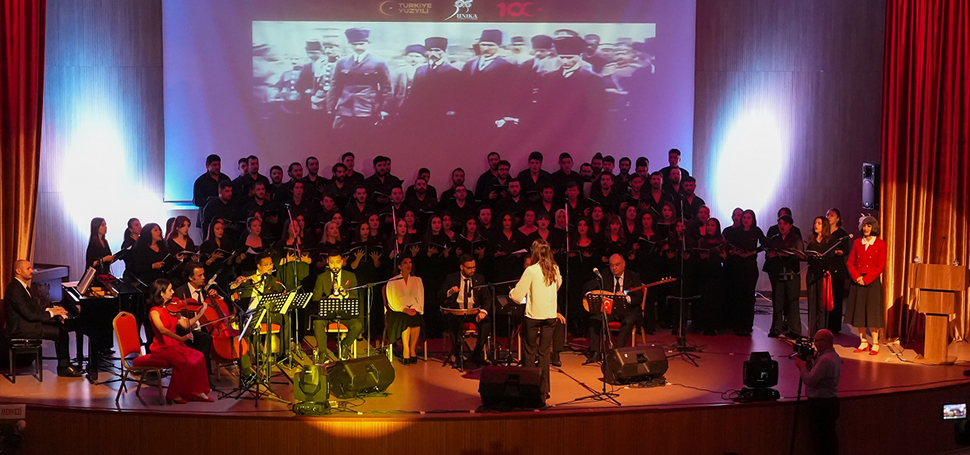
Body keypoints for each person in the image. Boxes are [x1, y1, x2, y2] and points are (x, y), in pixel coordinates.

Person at [4, 260, 83, 377]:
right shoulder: (15, 290)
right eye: (28, 269)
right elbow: (30, 315)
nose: (32, 271)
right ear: (18, 271)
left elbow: (32, 310)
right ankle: (64, 367)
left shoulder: (21, 287)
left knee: (60, 325)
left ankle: (65, 364)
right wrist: (52, 314)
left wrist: (51, 310)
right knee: (60, 332)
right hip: (21, 328)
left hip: (26, 324)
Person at [509, 239, 563, 400]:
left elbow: (518, 296)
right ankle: (544, 390)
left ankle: (529, 389)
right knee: (544, 353)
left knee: (529, 351)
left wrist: (512, 294)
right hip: (550, 316)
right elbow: (557, 286)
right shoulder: (554, 268)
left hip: (533, 317)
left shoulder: (531, 270)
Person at [145, 278, 213, 403]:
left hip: (175, 345)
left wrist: (200, 313)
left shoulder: (172, 309)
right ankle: (175, 394)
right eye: (170, 290)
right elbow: (162, 330)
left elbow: (186, 325)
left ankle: (198, 390)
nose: (172, 292)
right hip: (162, 348)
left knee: (199, 356)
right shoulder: (154, 311)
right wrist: (181, 338)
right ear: (161, 293)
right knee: (183, 362)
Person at [585, 254, 644, 362]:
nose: (614, 268)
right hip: (610, 310)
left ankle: (617, 354)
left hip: (628, 310)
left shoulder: (633, 276)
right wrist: (589, 294)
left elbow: (639, 298)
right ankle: (595, 352)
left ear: (624, 264)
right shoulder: (605, 275)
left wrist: (626, 298)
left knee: (628, 321)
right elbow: (587, 286)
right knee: (595, 319)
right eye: (611, 265)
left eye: (617, 265)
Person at [794, 329, 842, 455]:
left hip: (820, 405)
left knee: (821, 441)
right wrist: (810, 363)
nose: (814, 344)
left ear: (826, 341)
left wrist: (802, 368)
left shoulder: (825, 360)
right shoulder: (834, 356)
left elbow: (810, 380)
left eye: (817, 341)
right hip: (829, 402)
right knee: (828, 438)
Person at [438, 255, 492, 366]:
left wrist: (483, 311)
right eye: (469, 268)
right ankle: (458, 356)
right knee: (453, 322)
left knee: (486, 322)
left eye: (474, 267)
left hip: (473, 311)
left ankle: (477, 354)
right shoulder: (451, 278)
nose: (472, 270)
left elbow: (487, 298)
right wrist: (450, 292)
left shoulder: (479, 278)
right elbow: (439, 296)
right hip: (456, 311)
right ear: (462, 267)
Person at [845, 215, 886, 355]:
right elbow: (850, 262)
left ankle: (875, 342)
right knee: (859, 312)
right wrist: (857, 277)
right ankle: (863, 341)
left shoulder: (880, 244)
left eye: (869, 226)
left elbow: (880, 266)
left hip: (871, 282)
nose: (866, 228)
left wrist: (866, 279)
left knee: (872, 312)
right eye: (864, 225)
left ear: (873, 227)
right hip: (858, 282)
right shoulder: (857, 243)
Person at [310, 253, 362, 361]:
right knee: (317, 323)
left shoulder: (350, 276)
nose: (335, 265)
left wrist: (345, 295)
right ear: (328, 262)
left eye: (338, 262)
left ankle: (344, 345)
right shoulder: (321, 277)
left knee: (357, 325)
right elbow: (315, 298)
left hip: (344, 312)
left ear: (342, 262)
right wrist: (329, 298)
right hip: (327, 313)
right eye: (332, 262)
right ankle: (323, 353)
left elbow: (355, 296)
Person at [763, 215, 804, 338]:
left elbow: (802, 255)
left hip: (792, 274)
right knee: (777, 302)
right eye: (780, 223)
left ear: (790, 225)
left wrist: (789, 255)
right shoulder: (775, 239)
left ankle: (794, 330)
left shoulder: (796, 239)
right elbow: (768, 254)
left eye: (784, 224)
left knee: (793, 302)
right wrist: (771, 255)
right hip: (778, 273)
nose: (782, 226)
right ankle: (776, 329)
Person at [173, 262, 216, 376]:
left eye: (203, 274)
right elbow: (180, 320)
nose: (204, 278)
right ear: (191, 278)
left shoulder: (205, 291)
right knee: (205, 339)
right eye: (200, 275)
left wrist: (215, 298)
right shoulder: (180, 292)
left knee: (206, 337)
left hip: (203, 328)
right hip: (187, 330)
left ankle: (202, 375)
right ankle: (203, 376)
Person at [385, 256, 425, 365]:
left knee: (416, 319)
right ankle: (406, 350)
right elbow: (392, 301)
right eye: (405, 263)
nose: (408, 265)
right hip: (398, 311)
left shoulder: (417, 280)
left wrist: (415, 309)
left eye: (410, 262)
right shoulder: (393, 281)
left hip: (413, 309)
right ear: (399, 266)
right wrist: (404, 309)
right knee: (405, 319)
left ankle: (412, 349)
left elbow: (420, 298)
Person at [806, 216, 835, 335]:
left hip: (823, 275)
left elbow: (831, 257)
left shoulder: (831, 240)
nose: (816, 225)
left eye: (819, 223)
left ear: (825, 226)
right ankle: (811, 333)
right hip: (812, 274)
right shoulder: (811, 240)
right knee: (812, 305)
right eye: (815, 223)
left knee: (821, 306)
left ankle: (822, 333)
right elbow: (807, 255)